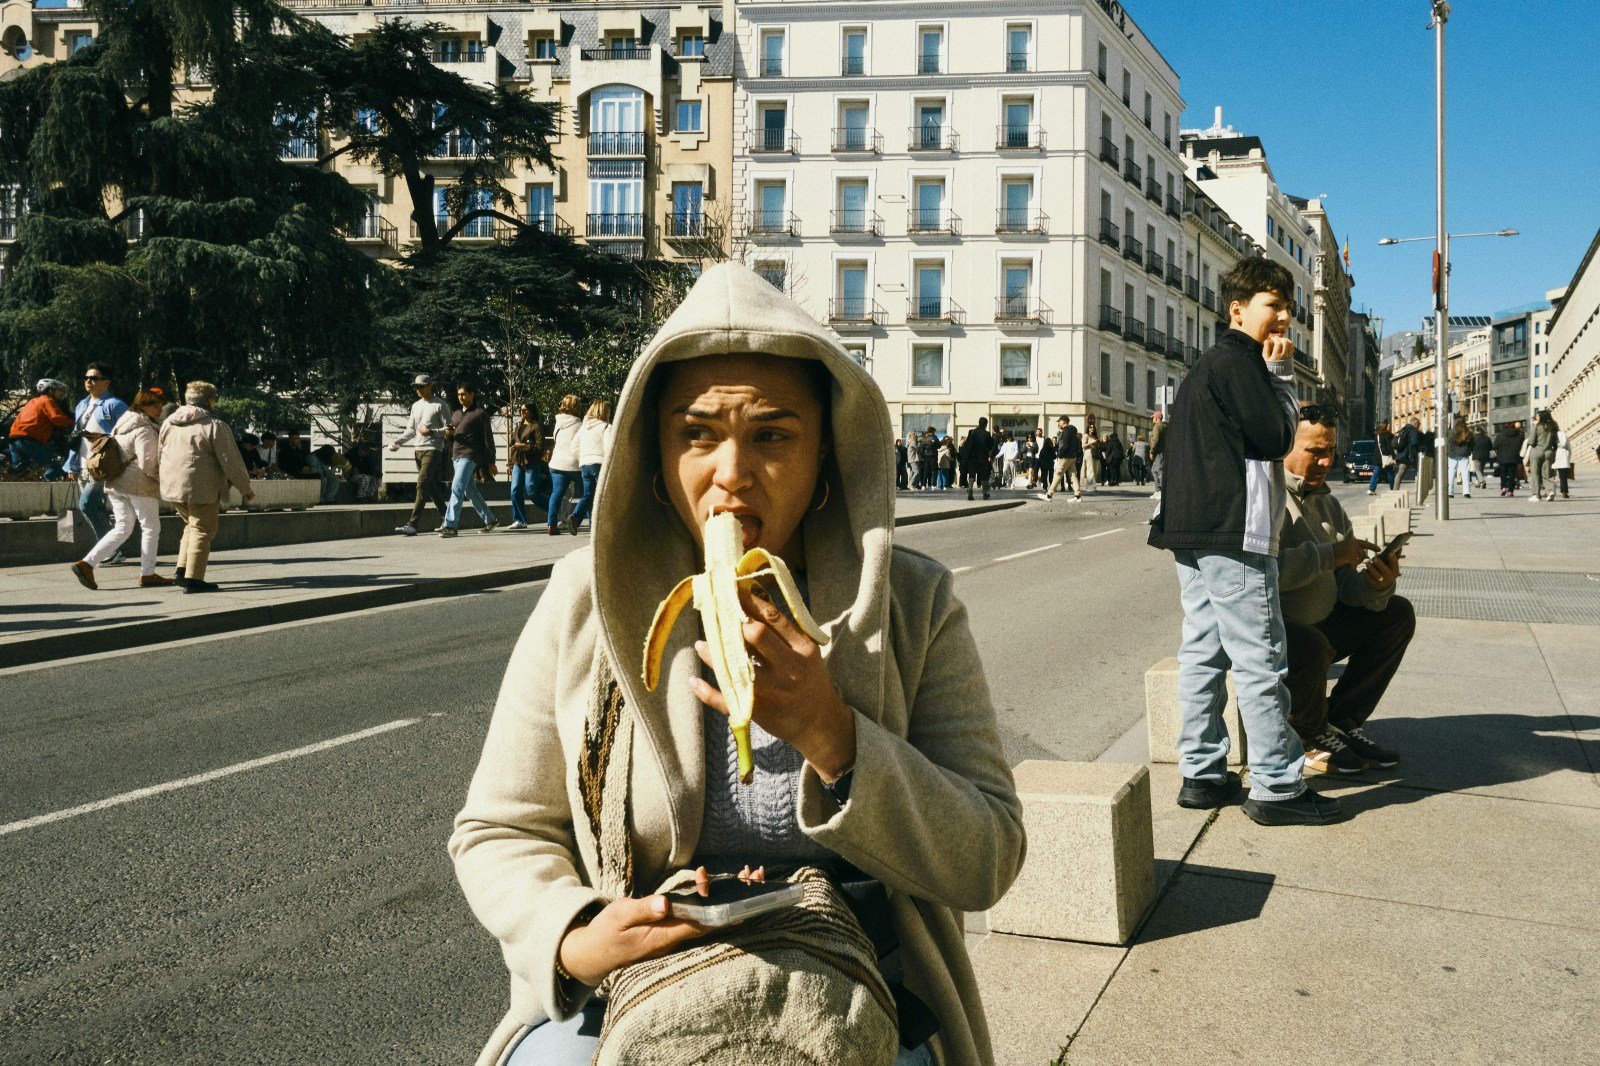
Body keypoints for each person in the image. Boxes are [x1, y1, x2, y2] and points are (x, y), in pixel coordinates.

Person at [449, 261, 1023, 1066]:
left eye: (772, 437)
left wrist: (835, 737)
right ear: (655, 456)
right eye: (697, 434)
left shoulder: (912, 604)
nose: (731, 473)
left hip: (856, 981)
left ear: (828, 457)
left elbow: (988, 854)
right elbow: (500, 828)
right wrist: (572, 934)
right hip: (633, 987)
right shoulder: (586, 598)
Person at [1147, 256, 1340, 826]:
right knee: (1262, 658)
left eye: (1289, 307)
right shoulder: (1241, 363)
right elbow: (1276, 437)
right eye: (1272, 305)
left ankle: (1202, 774)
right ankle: (1278, 785)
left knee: (1203, 652)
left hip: (1192, 527)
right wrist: (1281, 377)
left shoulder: (1208, 365)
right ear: (1237, 310)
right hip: (1235, 531)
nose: (1284, 318)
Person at [1278, 406, 1412, 775]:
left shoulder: (1330, 505)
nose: (1325, 462)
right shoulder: (1266, 498)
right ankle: (1307, 734)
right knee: (1309, 643)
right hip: (1275, 630)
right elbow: (1260, 572)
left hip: (1322, 623)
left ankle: (1340, 720)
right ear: (1284, 445)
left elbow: (1345, 585)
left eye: (1331, 451)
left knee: (1397, 613)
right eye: (1314, 452)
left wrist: (1377, 586)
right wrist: (1330, 554)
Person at [72, 389, 174, 590]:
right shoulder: (144, 429)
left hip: (116, 481)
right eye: (154, 405)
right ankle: (148, 574)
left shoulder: (123, 422)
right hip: (139, 484)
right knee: (151, 527)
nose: (158, 409)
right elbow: (148, 463)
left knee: (123, 527)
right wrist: (163, 481)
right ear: (142, 405)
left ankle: (87, 563)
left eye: (160, 405)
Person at [158, 381, 253, 593]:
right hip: (202, 488)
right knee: (202, 530)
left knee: (191, 526)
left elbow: (159, 454)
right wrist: (245, 487)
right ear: (211, 401)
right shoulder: (214, 426)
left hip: (173, 487)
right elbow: (231, 461)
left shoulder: (168, 424)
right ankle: (194, 579)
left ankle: (181, 570)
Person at [67, 363, 130, 544]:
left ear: (106, 382)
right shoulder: (82, 405)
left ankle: (110, 549)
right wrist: (71, 465)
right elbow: (76, 437)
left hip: (103, 466)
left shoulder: (115, 405)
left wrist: (102, 437)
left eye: (94, 378)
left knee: (87, 504)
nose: (88, 381)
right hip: (83, 465)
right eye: (86, 378)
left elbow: (128, 433)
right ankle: (109, 549)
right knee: (96, 508)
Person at [391, 374, 453, 535]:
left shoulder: (440, 405)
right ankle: (448, 519)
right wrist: (398, 442)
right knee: (430, 486)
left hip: (433, 450)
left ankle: (413, 524)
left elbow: (449, 430)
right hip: (418, 449)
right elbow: (411, 430)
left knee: (422, 484)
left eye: (421, 387)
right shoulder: (416, 406)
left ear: (430, 386)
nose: (417, 390)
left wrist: (431, 432)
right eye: (416, 387)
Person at [440, 384, 499, 537]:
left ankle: (450, 526)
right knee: (469, 490)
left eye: (464, 394)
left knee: (457, 488)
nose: (461, 397)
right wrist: (448, 434)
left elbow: (488, 440)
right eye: (459, 394)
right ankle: (490, 520)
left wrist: (491, 462)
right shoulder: (456, 414)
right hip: (456, 456)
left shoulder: (480, 414)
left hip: (470, 456)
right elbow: (451, 438)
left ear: (472, 394)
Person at [8, 378, 73, 480]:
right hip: (28, 440)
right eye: (59, 390)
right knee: (54, 466)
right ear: (50, 391)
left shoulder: (32, 401)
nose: (61, 393)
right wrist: (75, 423)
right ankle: (48, 482)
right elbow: (57, 418)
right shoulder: (48, 400)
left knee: (20, 468)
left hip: (14, 439)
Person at [566, 400, 615, 535]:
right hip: (599, 464)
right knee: (605, 495)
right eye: (608, 411)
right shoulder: (606, 427)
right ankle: (603, 525)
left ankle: (575, 518)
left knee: (588, 495)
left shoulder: (584, 428)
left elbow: (574, 447)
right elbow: (608, 447)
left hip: (585, 464)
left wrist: (583, 457)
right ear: (604, 412)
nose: (610, 414)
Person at [546, 394, 583, 536]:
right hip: (574, 464)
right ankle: (585, 521)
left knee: (556, 494)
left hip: (557, 463)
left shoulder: (558, 422)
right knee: (588, 492)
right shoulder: (579, 424)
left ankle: (551, 524)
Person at [508, 403, 545, 530]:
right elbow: (513, 445)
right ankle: (519, 519)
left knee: (531, 491)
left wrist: (524, 446)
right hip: (518, 462)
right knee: (515, 490)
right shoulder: (518, 426)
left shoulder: (536, 427)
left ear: (532, 412)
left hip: (531, 462)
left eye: (525, 410)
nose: (522, 412)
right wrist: (510, 463)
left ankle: (553, 509)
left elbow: (540, 447)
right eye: (521, 410)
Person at [1044, 416, 1081, 501]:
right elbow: (1076, 443)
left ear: (1063, 422)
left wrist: (1060, 454)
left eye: (1059, 421)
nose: (1058, 423)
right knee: (1073, 475)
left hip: (1065, 456)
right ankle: (1077, 495)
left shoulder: (1066, 430)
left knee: (1058, 474)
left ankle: (1049, 494)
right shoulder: (1073, 430)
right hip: (1072, 456)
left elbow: (1065, 443)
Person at [959, 418, 995, 500]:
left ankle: (970, 491)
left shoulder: (972, 432)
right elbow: (990, 445)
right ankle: (985, 493)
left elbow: (968, 445)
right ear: (985, 424)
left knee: (971, 475)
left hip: (972, 457)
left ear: (979, 423)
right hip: (983, 457)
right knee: (983, 475)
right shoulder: (987, 434)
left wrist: (966, 458)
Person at [1527, 410, 1559, 502]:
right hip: (1548, 451)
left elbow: (1532, 441)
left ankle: (1536, 494)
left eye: (1538, 415)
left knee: (1535, 473)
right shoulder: (1553, 427)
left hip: (1537, 451)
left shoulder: (1537, 426)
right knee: (1547, 473)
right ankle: (1551, 491)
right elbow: (1556, 442)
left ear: (1541, 417)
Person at [1493, 420, 1525, 497]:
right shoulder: (1519, 435)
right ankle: (1510, 491)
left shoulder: (1501, 435)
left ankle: (1503, 487)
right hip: (1514, 457)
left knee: (1503, 473)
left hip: (1502, 457)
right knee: (1512, 474)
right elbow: (1522, 446)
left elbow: (1495, 445)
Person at [1446, 418, 1473, 499]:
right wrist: (1470, 450)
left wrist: (1448, 451)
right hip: (1464, 453)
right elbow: (1472, 443)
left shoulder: (1450, 432)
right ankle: (1466, 492)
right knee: (1465, 472)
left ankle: (1450, 492)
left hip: (1452, 454)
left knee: (1451, 472)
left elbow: (1447, 442)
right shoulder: (1468, 431)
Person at [1368, 420, 1396, 494]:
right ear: (1385, 427)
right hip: (1386, 457)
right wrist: (1394, 457)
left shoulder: (1377, 435)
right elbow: (1390, 447)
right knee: (1390, 472)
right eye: (1389, 426)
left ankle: (1371, 489)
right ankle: (1393, 488)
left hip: (1378, 457)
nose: (1390, 427)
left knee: (1376, 473)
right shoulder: (1388, 435)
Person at [1392, 417, 1420, 488]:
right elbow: (1414, 442)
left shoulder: (1403, 429)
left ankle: (1395, 489)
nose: (1419, 425)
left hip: (1401, 454)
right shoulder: (1413, 431)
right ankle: (1421, 488)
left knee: (1400, 472)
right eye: (1419, 424)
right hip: (1409, 455)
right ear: (1416, 424)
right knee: (1420, 470)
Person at [1148, 411, 1167, 497]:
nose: (1152, 419)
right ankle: (1158, 490)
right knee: (1156, 470)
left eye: (1153, 418)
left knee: (1157, 471)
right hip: (1164, 451)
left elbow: (1155, 440)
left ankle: (1160, 490)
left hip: (1158, 452)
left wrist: (1152, 451)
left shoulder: (1157, 427)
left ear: (1157, 418)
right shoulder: (1165, 426)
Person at [1554, 427, 1574, 499]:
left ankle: (1549, 491)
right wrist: (1569, 458)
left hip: (1554, 453)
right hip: (1563, 454)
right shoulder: (1563, 434)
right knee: (1563, 475)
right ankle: (1564, 491)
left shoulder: (1551, 434)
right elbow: (1569, 446)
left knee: (1550, 475)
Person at [1033, 431, 1054, 495]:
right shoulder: (1052, 449)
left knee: (1044, 476)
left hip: (1044, 464)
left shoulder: (1043, 450)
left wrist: (1042, 462)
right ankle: (1052, 486)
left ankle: (1045, 487)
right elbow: (1054, 456)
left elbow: (1040, 456)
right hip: (1050, 464)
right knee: (1051, 476)